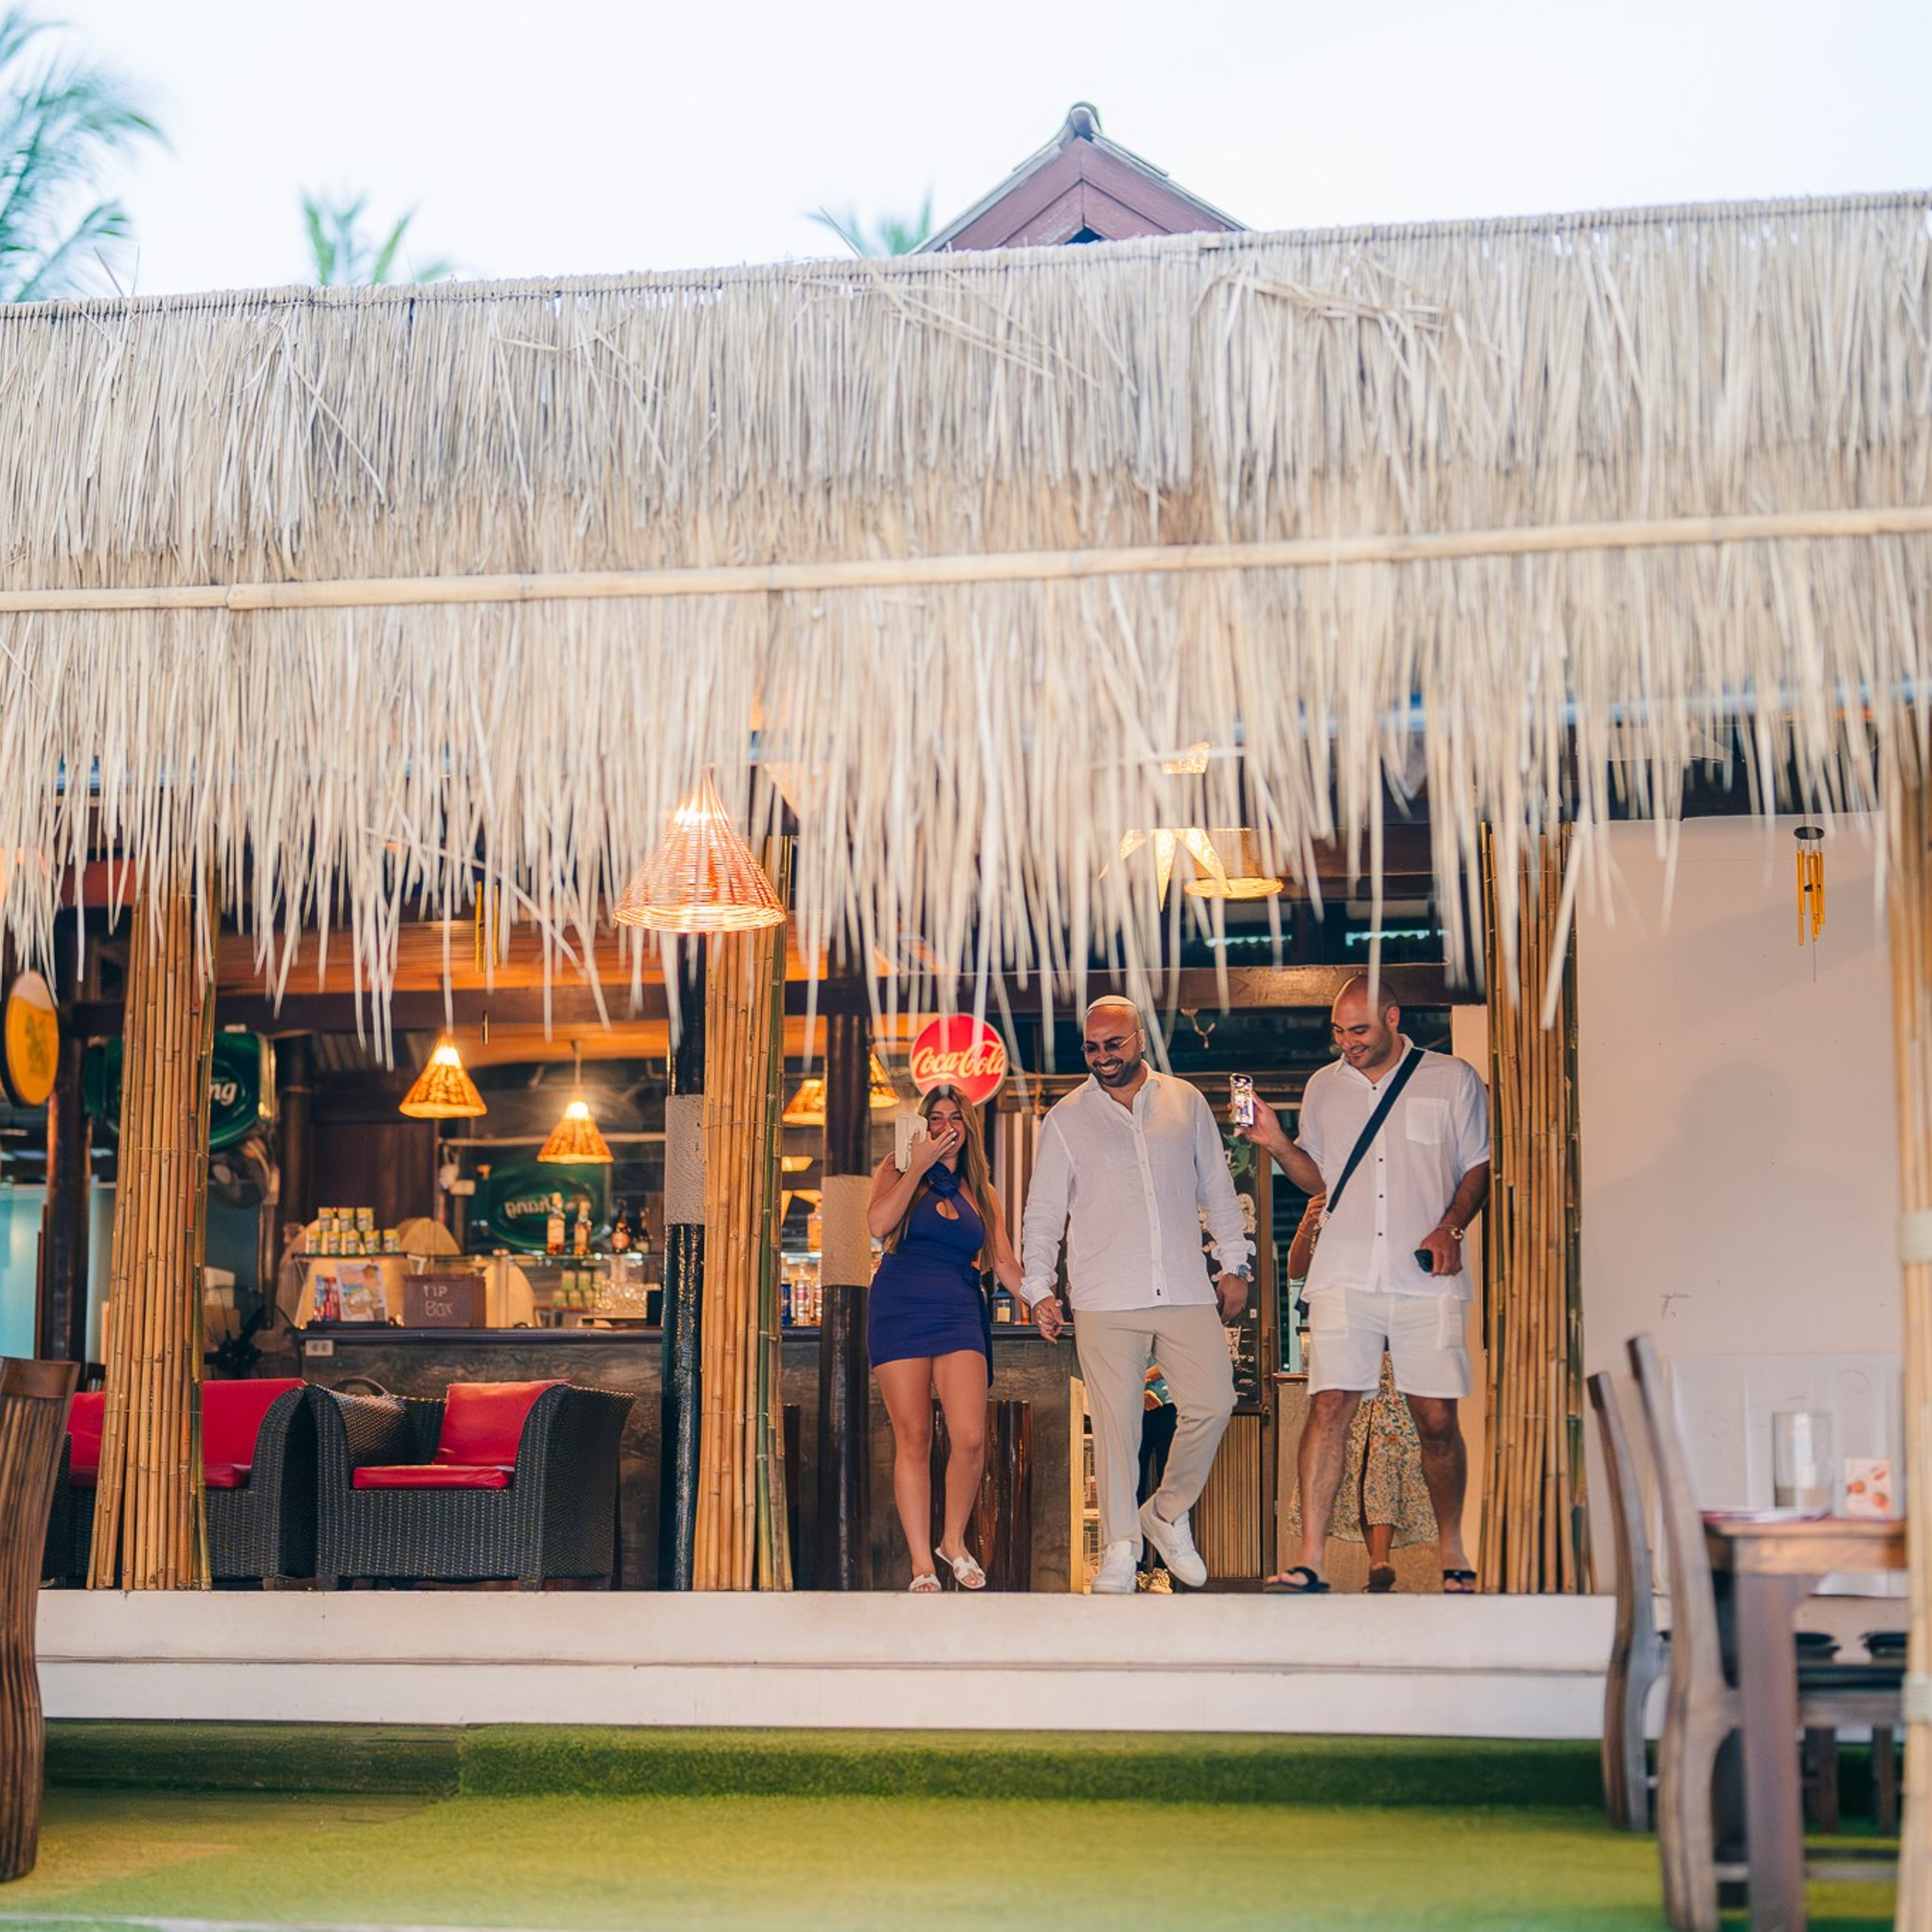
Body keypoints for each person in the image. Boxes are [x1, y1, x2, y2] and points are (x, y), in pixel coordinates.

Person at [1241, 975, 1490, 1595]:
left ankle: (1452, 1550)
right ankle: (1310, 1560)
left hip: (1424, 1277)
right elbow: (1317, 1179)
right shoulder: (1323, 1087)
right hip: (1345, 1272)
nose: (1347, 1043)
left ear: (1393, 1018)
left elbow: (1478, 1165)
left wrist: (1451, 1228)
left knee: (1436, 1418)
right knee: (1330, 1405)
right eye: (1339, 1032)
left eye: (1359, 1031)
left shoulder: (1451, 1078)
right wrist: (1277, 1143)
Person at [1019, 996, 1251, 1595]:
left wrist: (1234, 1263)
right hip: (1104, 1293)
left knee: (1214, 1402)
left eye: (1113, 1044)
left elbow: (1218, 1189)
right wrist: (1039, 1287)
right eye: (1091, 1047)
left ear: (1140, 1039)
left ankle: (1166, 1513)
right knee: (1116, 1426)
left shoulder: (1186, 1102)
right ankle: (1121, 1549)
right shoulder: (1066, 1119)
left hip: (1184, 1284)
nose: (1101, 1056)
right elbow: (1043, 1213)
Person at [866, 1084, 1026, 1594]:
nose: (945, 1127)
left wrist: (1040, 1298)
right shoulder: (896, 1169)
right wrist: (917, 1166)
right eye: (935, 1118)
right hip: (900, 1305)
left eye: (955, 1118)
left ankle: (952, 1541)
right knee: (913, 1437)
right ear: (923, 1124)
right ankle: (922, 1564)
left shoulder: (983, 1191)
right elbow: (878, 1225)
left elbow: (1004, 1262)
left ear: (969, 1127)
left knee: (970, 1437)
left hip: (958, 1307)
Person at [1284, 1192, 1435, 1591]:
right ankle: (1371, 1565)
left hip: (1393, 1358)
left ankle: (1379, 1561)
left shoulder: (1400, 1215)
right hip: (1347, 1354)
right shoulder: (1332, 1212)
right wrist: (1308, 1222)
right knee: (1355, 1461)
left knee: (1382, 1458)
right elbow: (1296, 1269)